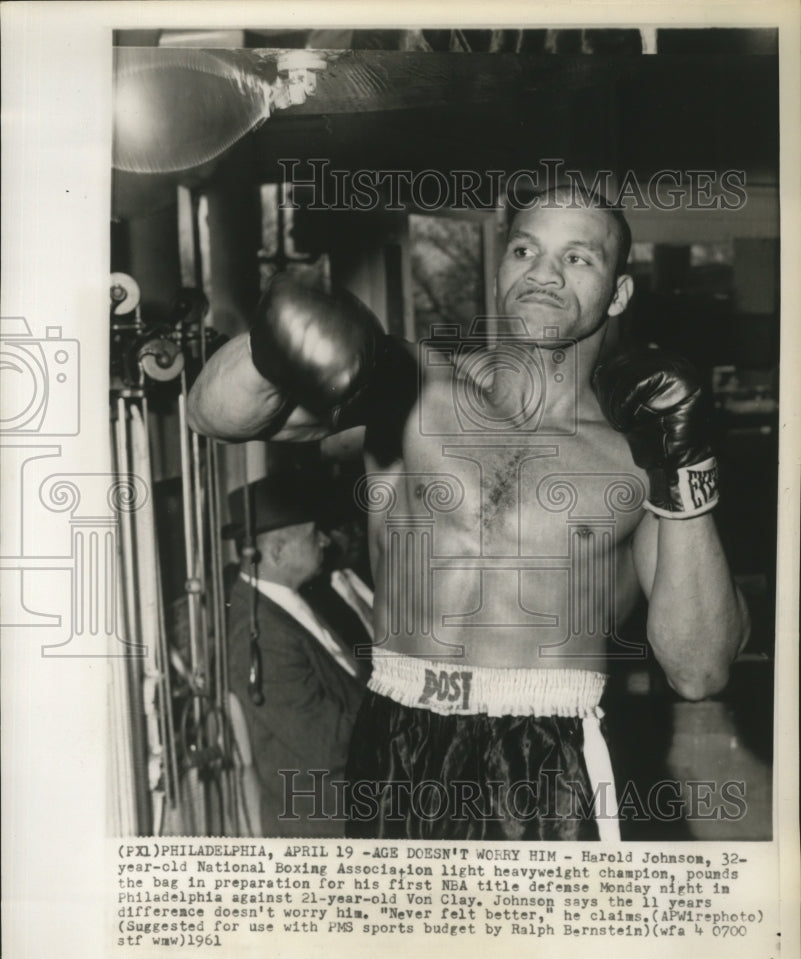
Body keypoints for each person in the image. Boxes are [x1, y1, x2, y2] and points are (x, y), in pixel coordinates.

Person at [189, 184, 749, 840]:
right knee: (399, 940)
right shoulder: (414, 388)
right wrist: (268, 344)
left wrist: (681, 472)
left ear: (618, 293)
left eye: (577, 258)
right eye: (524, 249)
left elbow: (698, 669)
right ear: (500, 270)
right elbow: (212, 415)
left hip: (543, 756)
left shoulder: (634, 454)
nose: (542, 272)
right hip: (395, 731)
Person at [224, 473, 365, 836]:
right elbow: (328, 747)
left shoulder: (285, 601)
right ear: (276, 551)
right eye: (313, 533)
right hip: (324, 825)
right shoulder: (258, 634)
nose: (325, 540)